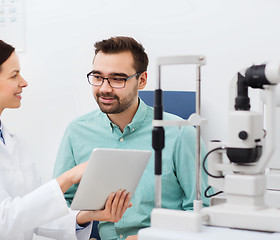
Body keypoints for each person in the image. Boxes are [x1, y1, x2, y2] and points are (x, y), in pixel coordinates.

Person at [0, 37, 132, 240]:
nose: (24, 82)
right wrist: (69, 177)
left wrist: (87, 216)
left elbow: (36, 215)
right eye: (14, 75)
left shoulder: (14, 143)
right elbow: (4, 219)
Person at [52, 36, 210, 239]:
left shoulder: (180, 133)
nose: (105, 88)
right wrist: (84, 220)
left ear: (142, 80)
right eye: (98, 77)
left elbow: (202, 212)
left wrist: (151, 237)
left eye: (118, 79)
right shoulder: (77, 131)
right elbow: (59, 206)